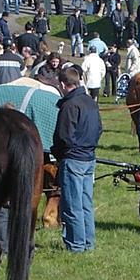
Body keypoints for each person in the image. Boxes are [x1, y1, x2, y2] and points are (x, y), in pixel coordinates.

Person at [51, 65, 103, 253]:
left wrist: (58, 152)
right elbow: (99, 129)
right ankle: (88, 242)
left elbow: (64, 135)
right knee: (85, 203)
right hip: (89, 157)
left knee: (72, 204)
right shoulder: (90, 102)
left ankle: (76, 244)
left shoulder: (69, 105)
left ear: (64, 84)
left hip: (73, 158)